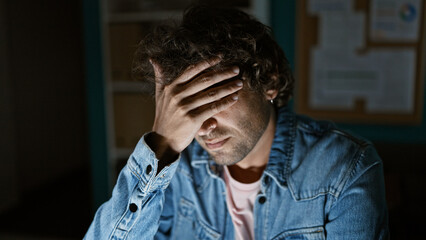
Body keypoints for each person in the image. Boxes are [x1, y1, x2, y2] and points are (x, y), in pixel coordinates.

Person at [85, 5, 389, 240]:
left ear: (269, 82)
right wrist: (162, 146)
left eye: (214, 98)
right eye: (189, 108)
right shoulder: (177, 167)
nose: (203, 127)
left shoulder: (344, 168)